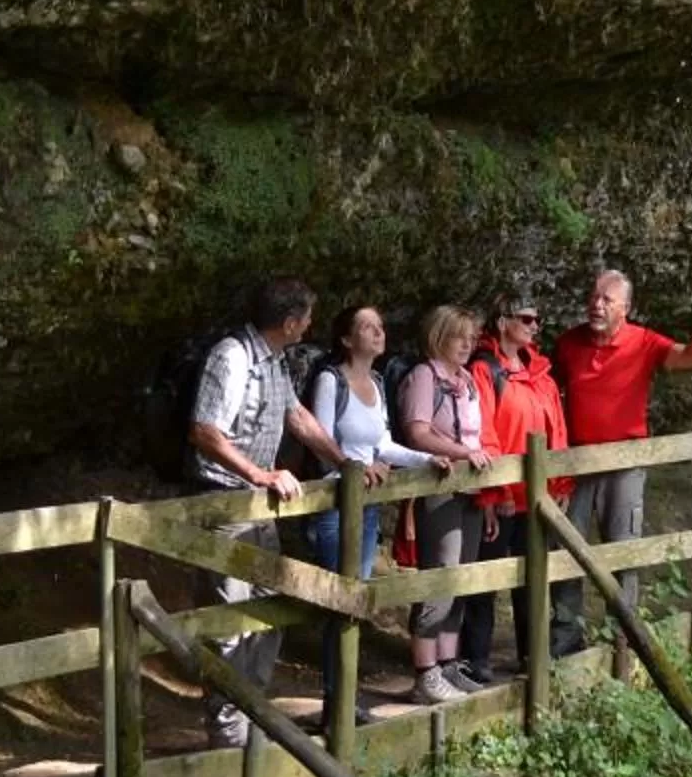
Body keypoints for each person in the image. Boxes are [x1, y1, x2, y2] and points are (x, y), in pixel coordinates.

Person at [186, 276, 346, 751]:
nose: (311, 325)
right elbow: (205, 431)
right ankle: (227, 730)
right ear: (290, 322)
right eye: (307, 318)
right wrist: (260, 474)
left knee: (267, 608)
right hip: (225, 504)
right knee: (229, 617)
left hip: (260, 508)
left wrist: (345, 462)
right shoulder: (232, 357)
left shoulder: (275, 361)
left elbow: (296, 416)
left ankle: (250, 711)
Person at [553, 268, 692, 617]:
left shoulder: (643, 341)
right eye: (593, 297)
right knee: (565, 553)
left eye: (606, 299)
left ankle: (624, 638)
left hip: (624, 464)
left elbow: (690, 357)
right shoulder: (568, 344)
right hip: (576, 464)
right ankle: (564, 644)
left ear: (625, 307)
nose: (596, 305)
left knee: (624, 552)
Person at [294, 303, 433, 731]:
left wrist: (428, 459)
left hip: (368, 508)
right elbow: (320, 440)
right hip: (336, 506)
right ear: (346, 339)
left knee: (355, 606)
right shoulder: (329, 381)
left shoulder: (375, 381)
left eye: (380, 325)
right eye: (367, 326)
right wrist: (356, 470)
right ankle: (337, 703)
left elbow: (385, 444)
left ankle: (344, 700)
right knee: (342, 606)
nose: (378, 332)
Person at [467, 295, 584, 676]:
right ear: (502, 322)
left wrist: (562, 482)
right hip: (502, 497)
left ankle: (532, 656)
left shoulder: (541, 376)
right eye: (527, 318)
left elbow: (558, 431)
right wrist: (492, 492)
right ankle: (477, 660)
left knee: (532, 578)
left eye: (538, 319)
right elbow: (485, 431)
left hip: (537, 497)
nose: (535, 326)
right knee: (487, 580)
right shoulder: (484, 371)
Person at [398, 305, 496, 705]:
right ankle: (425, 673)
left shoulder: (468, 380)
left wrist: (488, 498)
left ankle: (448, 664)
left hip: (471, 491)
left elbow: (478, 438)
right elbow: (416, 432)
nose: (468, 345)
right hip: (439, 486)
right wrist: (458, 452)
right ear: (440, 335)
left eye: (472, 339)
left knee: (462, 579)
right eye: (461, 337)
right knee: (441, 575)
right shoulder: (424, 376)